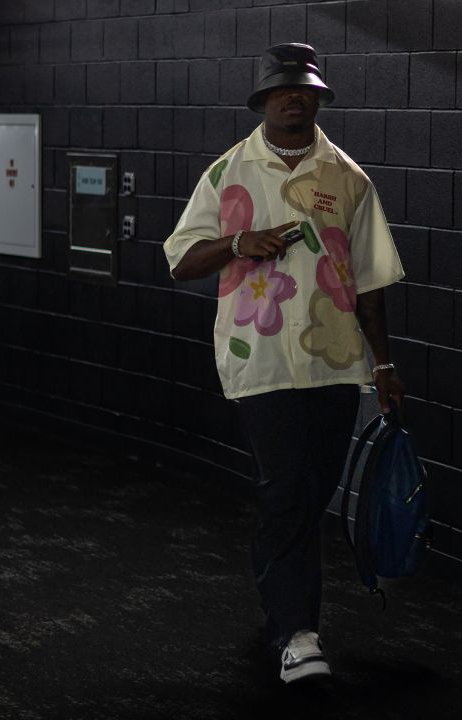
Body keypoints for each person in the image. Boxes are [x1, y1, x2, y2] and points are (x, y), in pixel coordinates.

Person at [162, 42, 406, 684]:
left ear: (319, 97)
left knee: (308, 494)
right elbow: (181, 259)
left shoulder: (349, 180)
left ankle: (281, 608)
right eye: (282, 89)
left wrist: (383, 366)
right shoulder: (226, 174)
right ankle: (298, 633)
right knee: (285, 490)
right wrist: (240, 242)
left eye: (305, 89)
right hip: (261, 358)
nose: (294, 98)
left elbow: (372, 281)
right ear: (264, 99)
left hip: (334, 363)